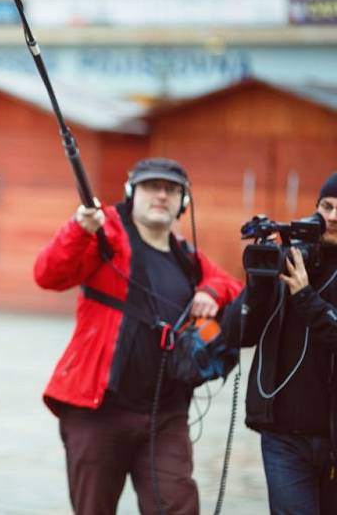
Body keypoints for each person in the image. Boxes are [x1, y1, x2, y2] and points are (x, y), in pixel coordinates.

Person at [33, 158, 241, 515]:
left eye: (172, 190)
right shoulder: (105, 234)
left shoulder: (186, 255)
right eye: (151, 186)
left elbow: (233, 287)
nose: (162, 195)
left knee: (179, 506)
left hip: (167, 415)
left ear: (183, 202)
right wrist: (78, 228)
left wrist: (210, 291)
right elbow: (48, 274)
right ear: (132, 193)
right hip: (98, 410)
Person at [222, 172, 337, 514]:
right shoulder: (287, 261)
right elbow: (236, 335)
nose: (333, 217)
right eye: (327, 207)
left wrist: (304, 296)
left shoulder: (299, 280)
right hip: (284, 436)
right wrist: (258, 286)